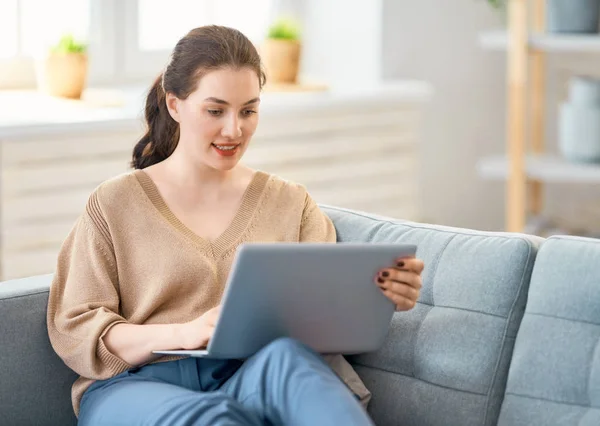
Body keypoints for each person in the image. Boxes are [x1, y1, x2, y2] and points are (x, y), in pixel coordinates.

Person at [46, 25, 425, 426]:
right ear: (175, 105)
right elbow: (77, 328)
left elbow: (320, 315)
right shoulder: (114, 203)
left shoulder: (290, 202)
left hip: (251, 374)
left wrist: (380, 295)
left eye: (248, 110)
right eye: (215, 111)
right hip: (135, 386)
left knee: (293, 363)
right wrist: (181, 333)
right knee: (214, 418)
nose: (234, 130)